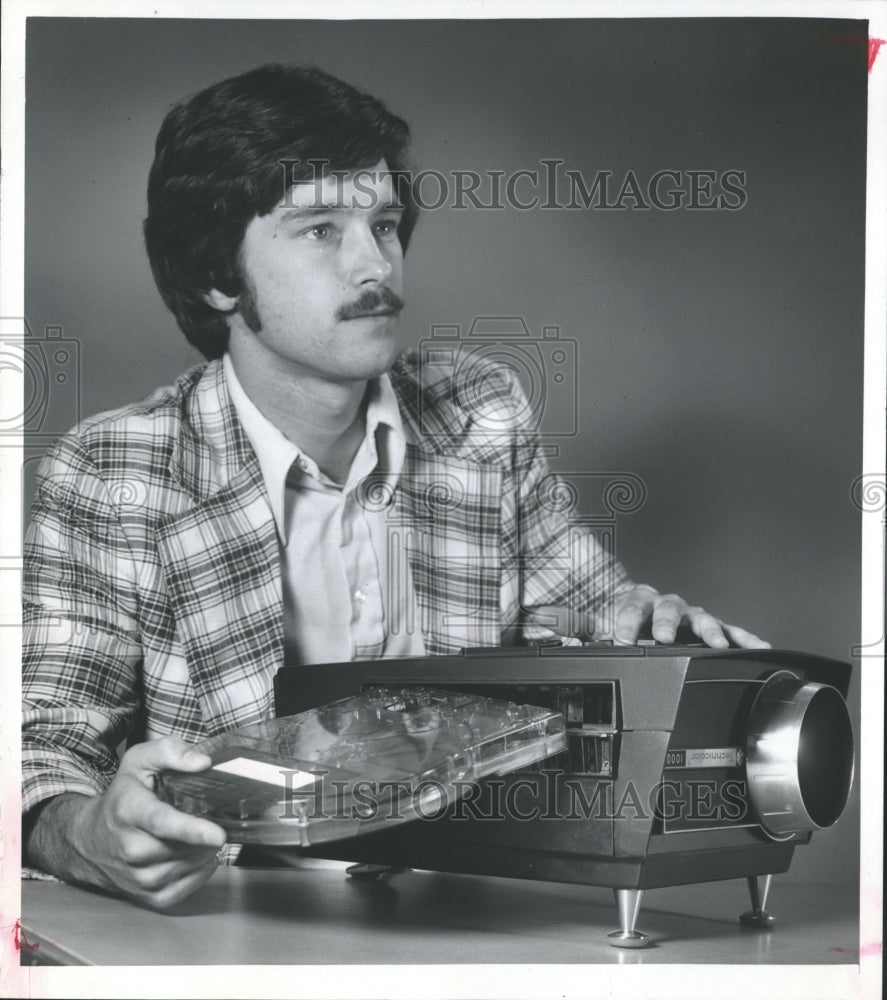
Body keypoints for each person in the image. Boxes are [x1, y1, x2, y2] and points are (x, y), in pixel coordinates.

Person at [22, 64, 769, 908]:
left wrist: (649, 631)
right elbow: (39, 748)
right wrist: (87, 833)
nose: (375, 262)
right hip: (235, 926)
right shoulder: (115, 468)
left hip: (473, 917)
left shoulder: (477, 411)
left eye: (383, 222)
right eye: (320, 230)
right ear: (214, 276)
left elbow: (589, 611)